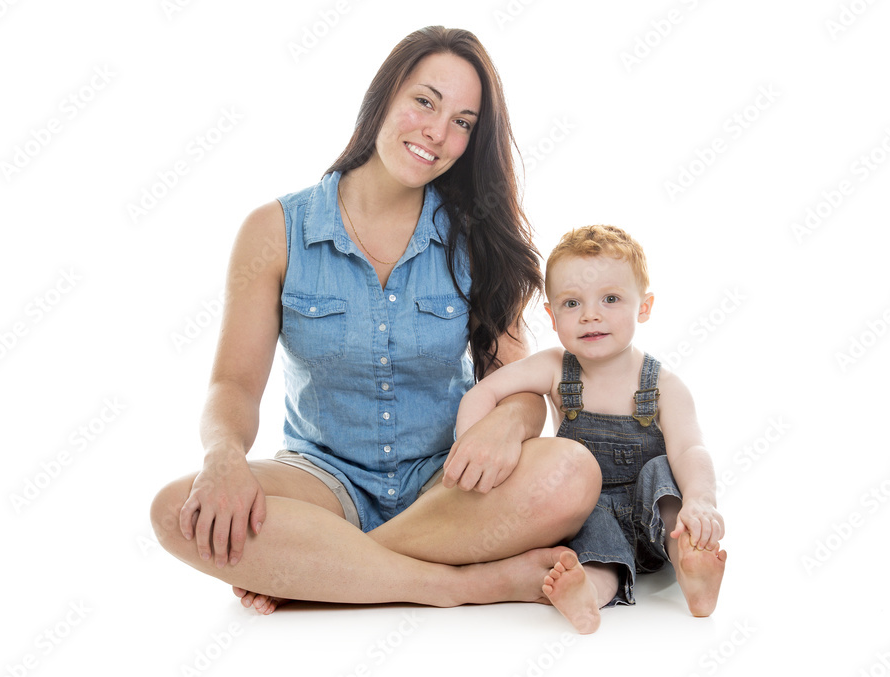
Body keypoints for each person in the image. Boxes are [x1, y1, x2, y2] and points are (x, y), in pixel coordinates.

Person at [149, 26, 602, 614]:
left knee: (571, 471)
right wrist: (224, 458)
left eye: (463, 122)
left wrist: (507, 424)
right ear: (384, 95)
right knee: (174, 510)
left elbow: (518, 385)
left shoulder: (478, 238)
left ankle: (331, 573)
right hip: (320, 483)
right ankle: (459, 584)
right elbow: (233, 385)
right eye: (425, 101)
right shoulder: (275, 230)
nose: (437, 134)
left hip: (447, 489)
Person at [454, 224, 727, 634]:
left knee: (662, 474)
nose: (590, 315)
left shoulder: (663, 385)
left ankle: (691, 567)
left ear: (645, 307)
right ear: (550, 315)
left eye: (611, 299)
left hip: (658, 524)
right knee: (590, 542)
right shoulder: (552, 368)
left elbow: (691, 449)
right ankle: (587, 593)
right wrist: (469, 443)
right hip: (591, 515)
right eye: (571, 303)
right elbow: (485, 392)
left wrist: (701, 501)